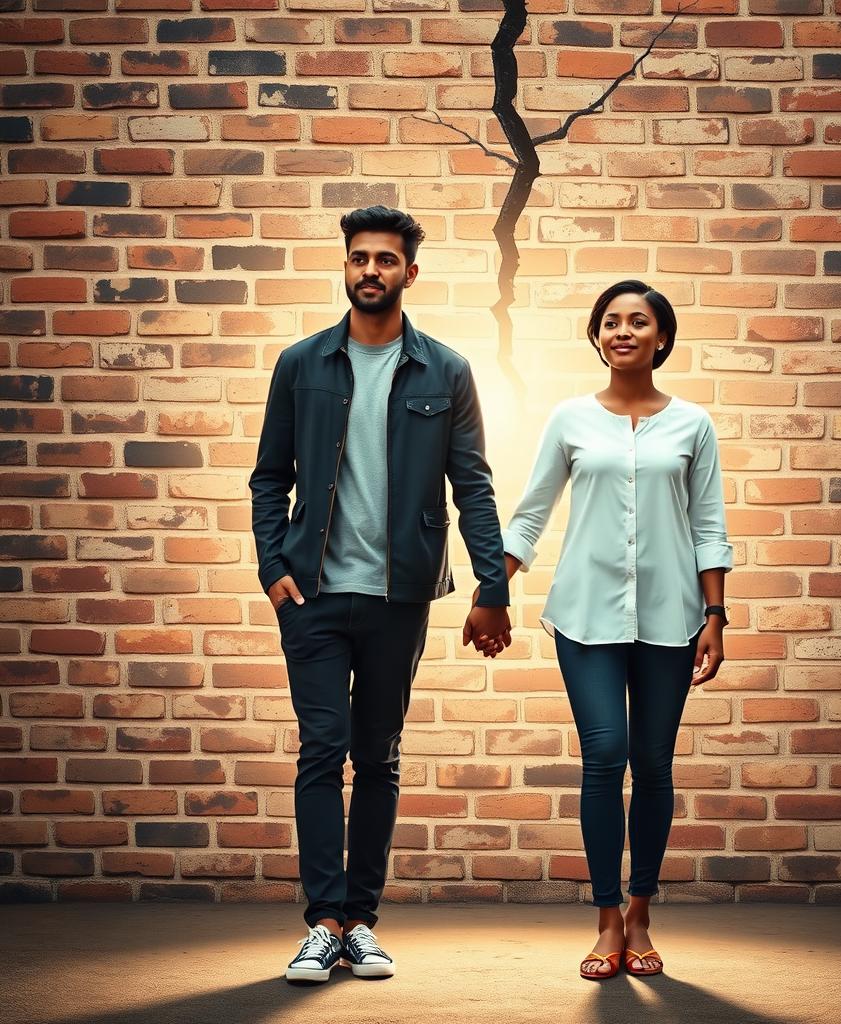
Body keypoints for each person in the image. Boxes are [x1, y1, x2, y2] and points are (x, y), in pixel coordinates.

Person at [249, 205, 512, 983]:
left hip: (400, 596)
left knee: (379, 755)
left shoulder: (447, 370)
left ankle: (362, 920)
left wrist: (491, 587)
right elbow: (271, 477)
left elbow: (474, 484)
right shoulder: (301, 364)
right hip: (315, 596)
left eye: (386, 260)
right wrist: (273, 567)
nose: (371, 270)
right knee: (321, 751)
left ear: (410, 274)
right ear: (345, 267)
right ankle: (323, 922)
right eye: (359, 258)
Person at [498, 279, 733, 980]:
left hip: (671, 620)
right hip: (586, 615)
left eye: (638, 321)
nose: (622, 330)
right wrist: (492, 587)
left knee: (654, 765)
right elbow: (531, 511)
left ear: (662, 337)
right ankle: (605, 920)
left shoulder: (692, 425)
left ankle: (641, 912)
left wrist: (715, 615)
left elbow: (708, 525)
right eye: (610, 321)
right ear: (596, 336)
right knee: (605, 755)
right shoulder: (570, 419)